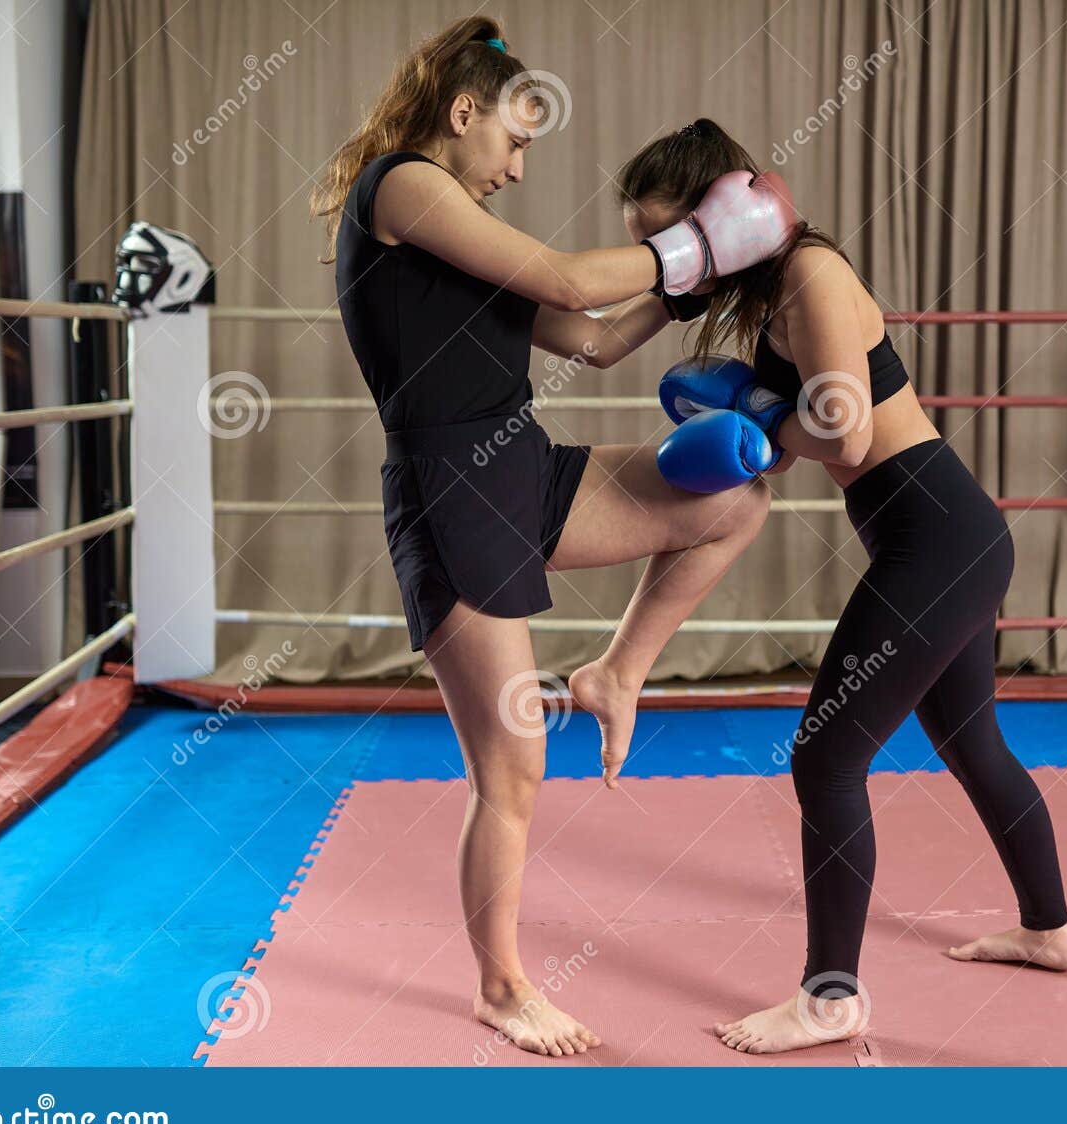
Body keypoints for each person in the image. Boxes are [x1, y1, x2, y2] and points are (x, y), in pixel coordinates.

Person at [311, 19, 793, 1058]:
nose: (518, 168)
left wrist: (692, 285)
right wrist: (699, 243)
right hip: (451, 487)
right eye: (515, 141)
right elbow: (573, 281)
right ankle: (501, 986)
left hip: (522, 464)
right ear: (463, 113)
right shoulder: (402, 188)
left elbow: (594, 336)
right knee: (513, 764)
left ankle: (618, 672)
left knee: (732, 501)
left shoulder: (459, 229)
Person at [616, 120, 1067, 1055]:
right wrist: (755, 418)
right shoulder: (771, 296)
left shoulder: (813, 275)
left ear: (726, 215)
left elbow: (849, 433)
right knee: (973, 743)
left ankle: (830, 999)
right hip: (936, 538)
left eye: (673, 240)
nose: (671, 264)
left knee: (824, 759)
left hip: (937, 539)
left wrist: (761, 412)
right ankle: (1050, 930)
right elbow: (802, 442)